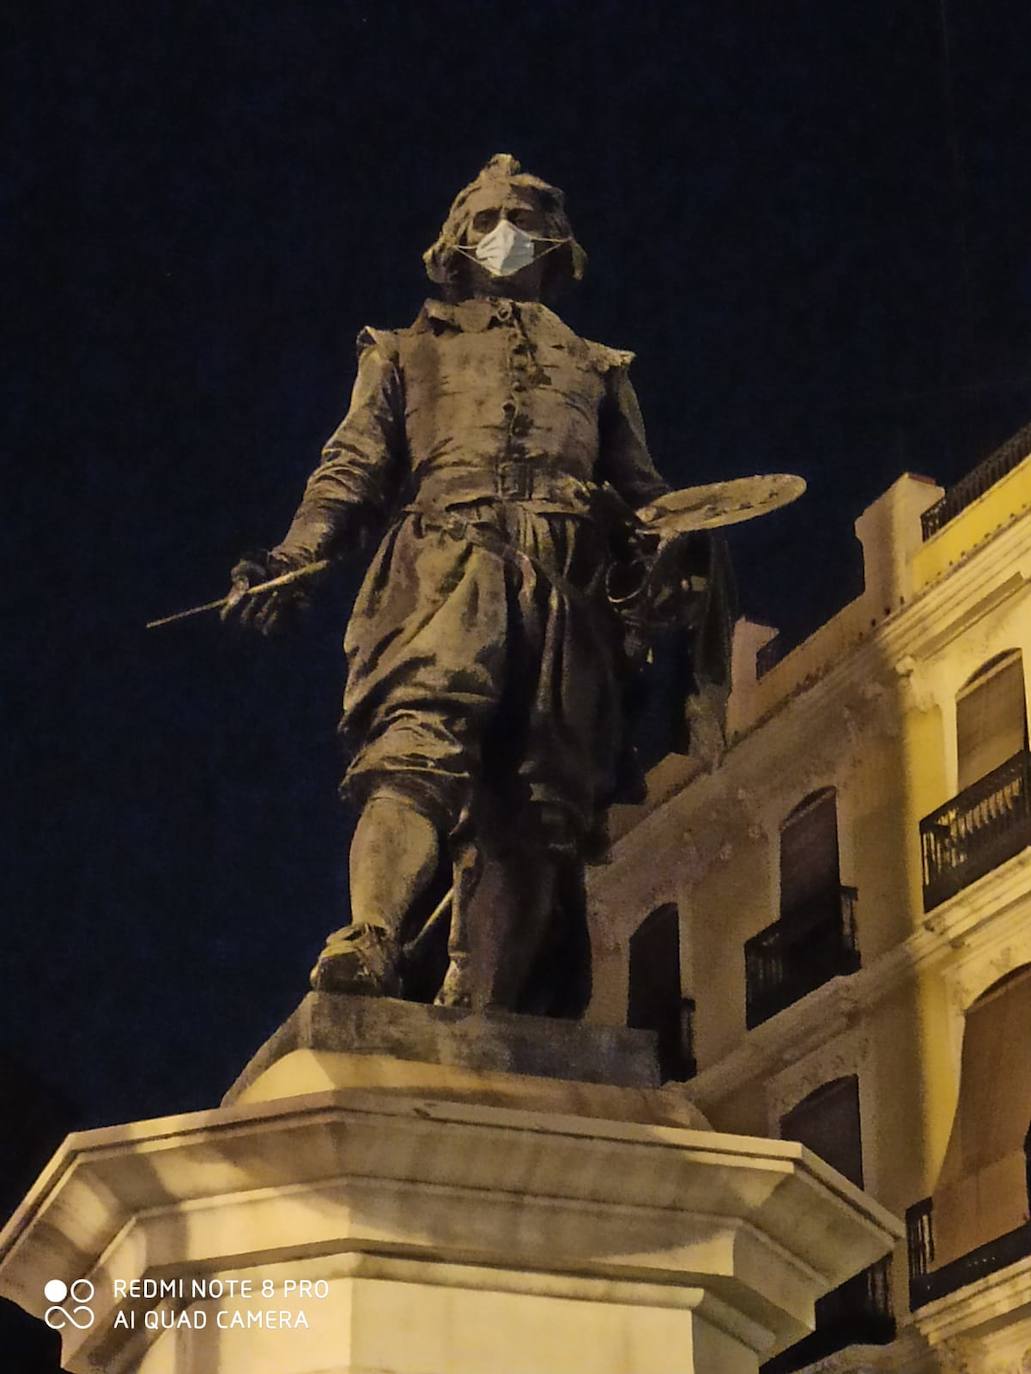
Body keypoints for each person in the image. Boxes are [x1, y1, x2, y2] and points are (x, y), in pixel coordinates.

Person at [223, 154, 731, 1014]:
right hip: (444, 560)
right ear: (458, 243)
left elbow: (646, 498)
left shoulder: (601, 369)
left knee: (542, 810)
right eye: (493, 222)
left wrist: (676, 552)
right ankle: (372, 938)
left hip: (565, 589)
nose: (511, 239)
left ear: (556, 247)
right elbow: (349, 468)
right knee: (413, 751)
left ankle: (489, 1007)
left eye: (529, 224)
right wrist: (291, 555)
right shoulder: (403, 350)